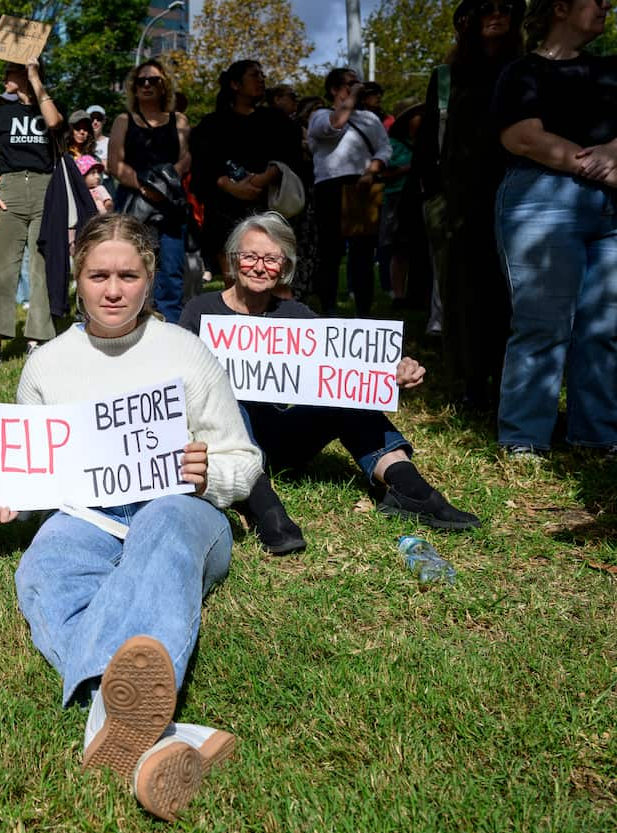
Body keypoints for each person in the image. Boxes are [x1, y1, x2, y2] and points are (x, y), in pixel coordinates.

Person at [0, 213, 262, 821]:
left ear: (149, 278)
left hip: (182, 510)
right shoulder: (47, 365)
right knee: (42, 570)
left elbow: (246, 460)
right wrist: (7, 498)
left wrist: (211, 472)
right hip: (89, 515)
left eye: (127, 275)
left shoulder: (187, 353)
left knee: (160, 534)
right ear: (77, 278)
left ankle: (117, 711)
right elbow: (36, 472)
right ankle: (154, 733)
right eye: (98, 274)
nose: (112, 289)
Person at [179, 213, 480, 554]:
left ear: (285, 266)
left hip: (281, 439)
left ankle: (410, 489)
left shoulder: (295, 314)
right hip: (227, 446)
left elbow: (344, 367)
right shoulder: (200, 310)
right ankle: (265, 509)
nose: (260, 267)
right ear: (233, 261)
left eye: (271, 258)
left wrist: (392, 371)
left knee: (344, 395)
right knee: (226, 398)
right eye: (250, 256)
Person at [491, 0, 617, 456]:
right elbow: (524, 138)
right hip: (540, 201)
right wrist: (603, 165)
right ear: (561, 7)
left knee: (604, 327)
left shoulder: (610, 70)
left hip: (609, 211)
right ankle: (524, 441)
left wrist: (613, 153)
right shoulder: (521, 72)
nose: (606, 4)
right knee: (542, 325)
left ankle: (598, 436)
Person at [414, 0, 524, 410]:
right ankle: (468, 385)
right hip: (457, 203)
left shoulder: (525, 69)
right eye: (486, 10)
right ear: (469, 21)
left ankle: (508, 385)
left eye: (506, 9)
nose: (497, 16)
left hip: (514, 196)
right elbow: (427, 143)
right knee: (461, 298)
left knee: (510, 295)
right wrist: (432, 196)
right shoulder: (447, 77)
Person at [0, 60, 63, 369]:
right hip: (9, 189)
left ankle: (37, 341)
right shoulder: (0, 114)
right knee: (1, 268)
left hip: (44, 188)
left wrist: (35, 79)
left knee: (40, 268)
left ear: (23, 75)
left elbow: (54, 122)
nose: (4, 77)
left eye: (10, 71)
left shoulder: (47, 106)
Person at [189, 60, 304, 274]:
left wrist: (267, 176)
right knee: (233, 279)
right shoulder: (211, 125)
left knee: (272, 277)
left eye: (263, 75)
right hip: (225, 212)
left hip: (268, 207)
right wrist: (229, 185)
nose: (261, 79)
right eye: (254, 75)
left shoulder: (277, 121)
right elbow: (202, 168)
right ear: (235, 84)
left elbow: (293, 158)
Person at [107, 60, 192, 322]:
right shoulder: (124, 120)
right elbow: (114, 164)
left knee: (171, 271)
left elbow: (187, 158)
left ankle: (171, 330)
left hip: (170, 205)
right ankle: (132, 325)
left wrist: (162, 188)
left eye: (153, 80)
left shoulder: (179, 120)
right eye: (140, 81)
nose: (146, 85)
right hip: (133, 201)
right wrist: (145, 187)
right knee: (131, 266)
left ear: (164, 85)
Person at [307, 68, 392, 317]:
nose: (356, 88)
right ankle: (328, 309)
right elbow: (335, 126)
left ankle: (364, 310)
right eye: (349, 84)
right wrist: (351, 98)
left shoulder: (370, 119)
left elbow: (384, 149)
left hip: (362, 186)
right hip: (330, 186)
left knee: (363, 253)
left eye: (358, 84)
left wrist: (372, 169)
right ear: (334, 89)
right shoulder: (320, 116)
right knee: (330, 252)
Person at [378, 98, 426, 309]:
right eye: (417, 115)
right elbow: (383, 174)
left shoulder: (428, 144)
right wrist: (408, 168)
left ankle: (419, 294)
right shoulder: (393, 145)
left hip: (422, 197)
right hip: (398, 199)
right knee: (399, 248)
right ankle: (398, 294)